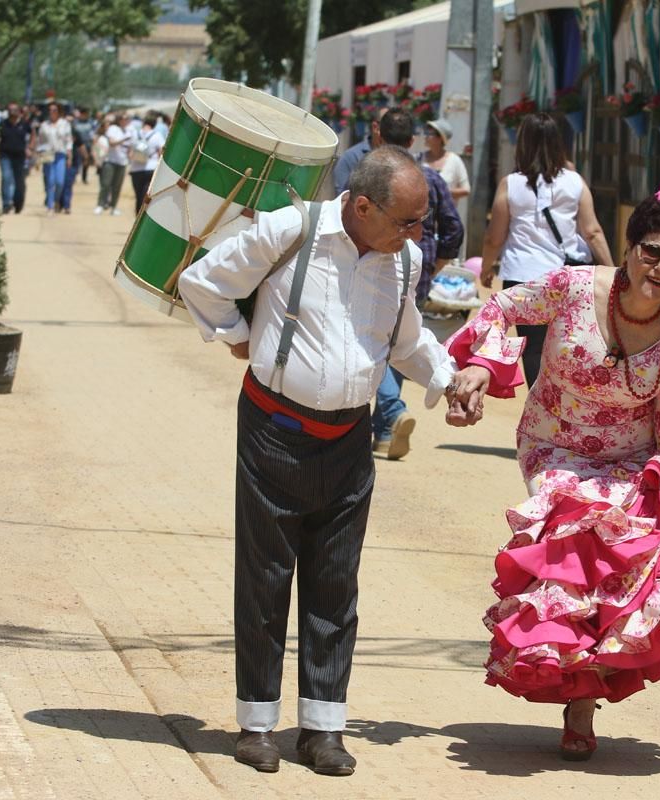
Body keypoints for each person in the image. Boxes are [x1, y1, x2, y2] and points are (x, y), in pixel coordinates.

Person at [177, 146, 459, 777]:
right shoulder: (292, 230)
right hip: (273, 433)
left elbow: (407, 342)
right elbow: (204, 282)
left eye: (421, 223)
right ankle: (256, 725)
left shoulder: (404, 261)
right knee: (265, 578)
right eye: (407, 221)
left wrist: (449, 377)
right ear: (362, 206)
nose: (417, 235)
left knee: (335, 584)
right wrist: (236, 338)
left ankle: (323, 730)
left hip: (350, 442)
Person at [444, 172, 660, 761]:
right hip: (553, 445)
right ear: (629, 247)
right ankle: (565, 679)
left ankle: (582, 700)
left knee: (622, 567)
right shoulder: (572, 287)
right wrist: (478, 367)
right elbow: (501, 308)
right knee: (577, 531)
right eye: (652, 251)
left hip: (628, 456)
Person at [480, 112, 613, 386]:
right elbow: (593, 231)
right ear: (558, 143)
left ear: (523, 144)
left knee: (534, 347)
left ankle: (538, 402)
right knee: (569, 342)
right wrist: (612, 271)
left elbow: (494, 237)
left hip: (523, 277)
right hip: (565, 278)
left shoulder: (511, 184)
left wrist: (485, 268)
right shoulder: (574, 182)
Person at [368, 107, 464, 459]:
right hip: (419, 272)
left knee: (381, 338)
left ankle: (391, 411)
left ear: (379, 135)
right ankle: (382, 428)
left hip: (378, 266)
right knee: (401, 338)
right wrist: (435, 267)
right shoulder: (429, 177)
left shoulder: (369, 177)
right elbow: (454, 227)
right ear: (412, 141)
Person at [332, 107, 386, 194]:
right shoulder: (351, 157)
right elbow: (342, 198)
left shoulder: (402, 156)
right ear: (375, 127)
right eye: (388, 125)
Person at [36, 103, 72, 216]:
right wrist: (39, 155)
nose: (52, 112)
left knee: (60, 182)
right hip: (48, 154)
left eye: (55, 110)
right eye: (50, 110)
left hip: (61, 154)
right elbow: (40, 141)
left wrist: (69, 156)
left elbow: (68, 140)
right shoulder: (44, 125)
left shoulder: (65, 124)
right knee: (50, 181)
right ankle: (50, 206)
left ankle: (57, 200)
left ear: (59, 111)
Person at [422, 118, 470, 203]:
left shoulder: (454, 160)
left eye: (429, 133)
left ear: (440, 138)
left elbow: (466, 190)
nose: (425, 136)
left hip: (446, 215)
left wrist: (440, 192)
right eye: (425, 132)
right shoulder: (419, 158)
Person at [0, 103, 32, 214]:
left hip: (19, 156)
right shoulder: (3, 124)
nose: (12, 112)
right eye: (10, 109)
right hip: (5, 155)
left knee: (19, 181)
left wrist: (30, 148)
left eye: (15, 109)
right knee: (7, 178)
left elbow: (33, 135)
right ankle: (7, 203)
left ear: (19, 111)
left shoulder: (24, 124)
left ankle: (17, 203)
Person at [127, 113, 164, 215]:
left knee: (138, 196)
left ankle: (136, 217)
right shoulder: (157, 135)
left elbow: (130, 153)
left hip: (135, 169)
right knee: (146, 196)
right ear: (154, 124)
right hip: (151, 168)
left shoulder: (135, 133)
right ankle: (143, 217)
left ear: (144, 122)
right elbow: (161, 152)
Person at [95, 113, 129, 216]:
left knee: (117, 186)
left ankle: (113, 207)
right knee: (106, 184)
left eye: (127, 119)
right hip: (110, 161)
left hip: (122, 162)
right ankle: (100, 205)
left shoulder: (128, 131)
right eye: (124, 119)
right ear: (119, 120)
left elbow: (130, 147)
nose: (125, 121)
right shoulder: (113, 128)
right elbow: (111, 143)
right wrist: (124, 140)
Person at [59, 106, 88, 213]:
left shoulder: (75, 132)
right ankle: (59, 202)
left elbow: (81, 145)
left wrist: (85, 157)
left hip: (73, 162)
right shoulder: (59, 131)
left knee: (68, 184)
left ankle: (66, 205)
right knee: (59, 183)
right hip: (60, 160)